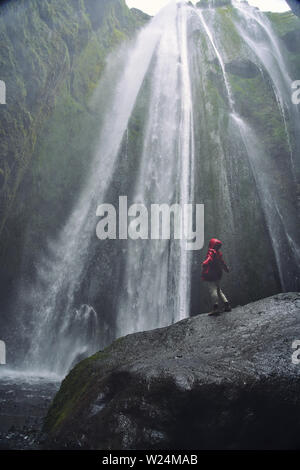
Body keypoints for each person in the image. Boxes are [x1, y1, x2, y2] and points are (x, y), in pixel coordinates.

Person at [201, 238, 231, 315]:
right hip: (218, 274)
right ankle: (227, 305)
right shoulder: (218, 253)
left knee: (213, 290)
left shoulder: (211, 251)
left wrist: (204, 263)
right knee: (218, 290)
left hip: (211, 274)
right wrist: (226, 269)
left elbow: (209, 258)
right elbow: (222, 262)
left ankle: (215, 308)